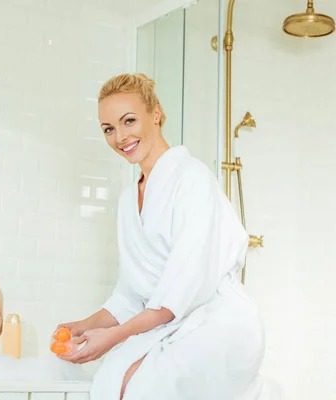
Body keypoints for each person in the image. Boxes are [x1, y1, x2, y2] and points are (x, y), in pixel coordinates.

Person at [55, 73, 265, 399]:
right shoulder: (128, 200)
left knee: (148, 383)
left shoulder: (192, 179)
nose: (120, 137)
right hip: (168, 324)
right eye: (108, 129)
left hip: (218, 323)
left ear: (155, 114)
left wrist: (114, 337)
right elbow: (131, 294)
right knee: (111, 380)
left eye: (129, 121)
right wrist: (82, 326)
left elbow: (178, 294)